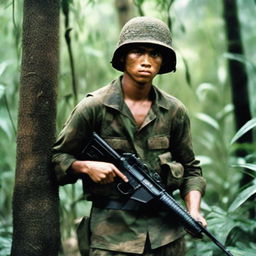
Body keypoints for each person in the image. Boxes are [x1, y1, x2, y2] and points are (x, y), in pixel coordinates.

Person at [52, 16, 207, 256]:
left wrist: (193, 210)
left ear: (163, 61)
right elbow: (57, 158)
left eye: (155, 54)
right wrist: (84, 166)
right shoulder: (94, 107)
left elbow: (191, 169)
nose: (146, 61)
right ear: (123, 57)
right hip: (111, 239)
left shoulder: (174, 111)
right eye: (137, 52)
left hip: (166, 238)